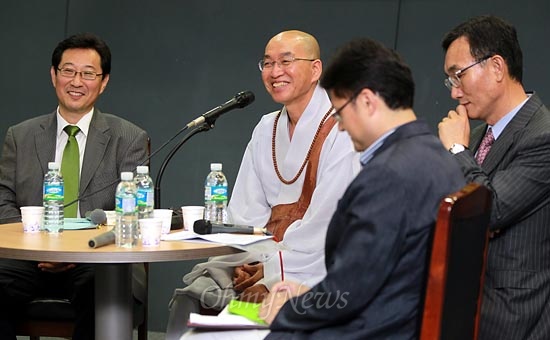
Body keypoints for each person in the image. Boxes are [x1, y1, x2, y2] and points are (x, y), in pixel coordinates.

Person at [258, 37, 465, 339]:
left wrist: (289, 310)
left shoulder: (389, 175)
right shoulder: (436, 157)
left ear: (367, 101)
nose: (340, 125)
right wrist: (307, 294)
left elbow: (351, 289)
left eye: (340, 112)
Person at [165, 30, 359, 337]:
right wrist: (250, 263)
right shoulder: (266, 127)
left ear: (316, 70)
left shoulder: (343, 129)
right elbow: (245, 213)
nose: (275, 72)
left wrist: (269, 272)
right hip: (262, 259)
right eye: (267, 63)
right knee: (193, 295)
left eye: (286, 61)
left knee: (237, 328)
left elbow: (325, 226)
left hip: (311, 270)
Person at [0, 33, 149, 340]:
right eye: (68, 70)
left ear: (104, 81)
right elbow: (3, 199)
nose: (76, 81)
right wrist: (35, 247)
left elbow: (134, 212)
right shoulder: (20, 135)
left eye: (88, 74)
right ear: (54, 74)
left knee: (104, 289)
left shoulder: (129, 138)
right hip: (28, 256)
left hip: (95, 260)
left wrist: (75, 250)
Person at [438, 15, 550, 340]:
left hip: (513, 321)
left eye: (458, 76)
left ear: (497, 67)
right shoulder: (474, 136)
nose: (454, 92)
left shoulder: (543, 136)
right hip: (461, 311)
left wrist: (457, 150)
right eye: (450, 81)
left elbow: (490, 209)